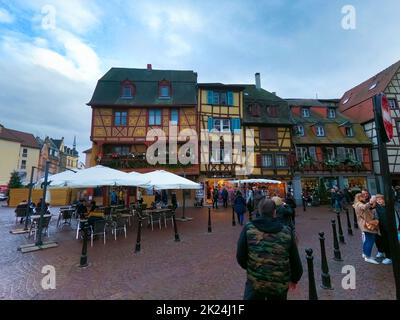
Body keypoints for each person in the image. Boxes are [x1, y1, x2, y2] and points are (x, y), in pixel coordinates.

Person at [236, 198, 303, 300]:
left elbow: (240, 256)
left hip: (255, 284)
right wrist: (294, 279)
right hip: (279, 284)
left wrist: (252, 267)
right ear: (274, 212)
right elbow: (295, 260)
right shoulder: (286, 232)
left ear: (259, 211)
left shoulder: (249, 228)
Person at [353, 193, 380, 264]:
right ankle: (368, 257)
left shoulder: (358, 203)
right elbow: (364, 207)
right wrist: (371, 201)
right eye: (363, 197)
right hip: (366, 225)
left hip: (365, 224)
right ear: (359, 198)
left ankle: (366, 254)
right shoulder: (359, 204)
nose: (365, 197)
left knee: (368, 240)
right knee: (370, 240)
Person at [373, 194, 392, 265]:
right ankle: (388, 256)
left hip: (389, 228)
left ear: (384, 199)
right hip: (382, 228)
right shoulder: (378, 207)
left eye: (380, 199)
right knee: (384, 242)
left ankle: (390, 257)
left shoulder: (388, 207)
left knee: (389, 242)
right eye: (377, 200)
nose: (379, 201)